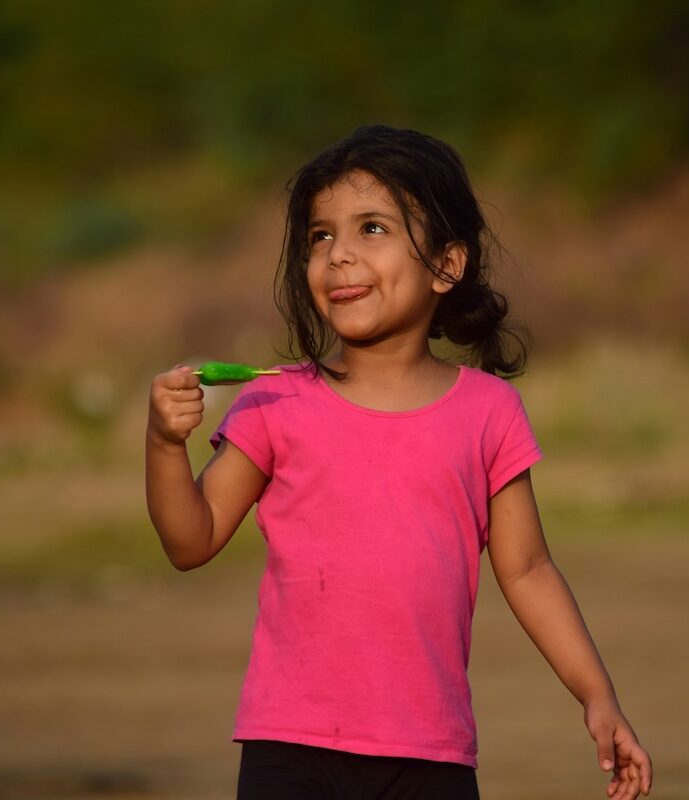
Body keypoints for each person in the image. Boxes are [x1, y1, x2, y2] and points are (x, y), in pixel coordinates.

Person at [146, 125, 652, 800]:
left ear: (447, 264)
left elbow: (528, 570)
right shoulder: (276, 399)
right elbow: (190, 540)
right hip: (289, 750)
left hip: (431, 757)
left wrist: (598, 695)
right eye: (321, 236)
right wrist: (162, 445)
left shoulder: (489, 413)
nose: (339, 256)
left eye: (372, 229)